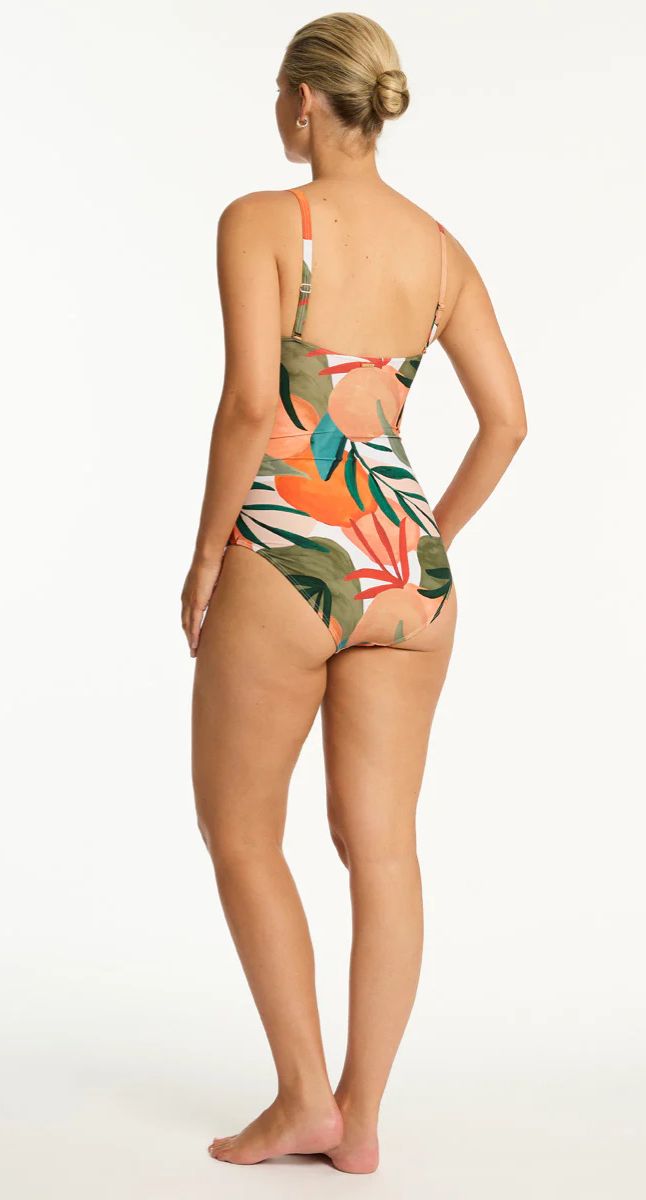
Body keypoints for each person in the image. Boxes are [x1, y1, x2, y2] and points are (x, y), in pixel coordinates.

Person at [181, 12, 527, 1176]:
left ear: (302, 102)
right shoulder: (439, 249)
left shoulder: (260, 222)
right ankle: (360, 1117)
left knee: (241, 829)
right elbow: (508, 422)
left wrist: (207, 555)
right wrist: (427, 537)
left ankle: (301, 1100)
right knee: (382, 848)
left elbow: (252, 406)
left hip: (289, 548)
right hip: (405, 563)